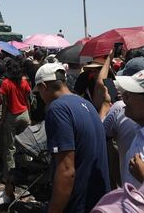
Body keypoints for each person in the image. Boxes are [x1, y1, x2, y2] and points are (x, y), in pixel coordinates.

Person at [34, 63, 110, 213]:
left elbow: (66, 171)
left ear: (43, 86)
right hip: (98, 198)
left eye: (38, 92)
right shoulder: (85, 103)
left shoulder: (57, 109)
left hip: (78, 203)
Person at [0, 58, 31, 205]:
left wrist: (2, 120)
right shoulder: (24, 82)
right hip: (24, 114)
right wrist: (30, 115)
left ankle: (9, 175)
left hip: (11, 115)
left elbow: (4, 103)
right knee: (25, 146)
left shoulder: (5, 83)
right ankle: (26, 170)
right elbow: (29, 100)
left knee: (10, 147)